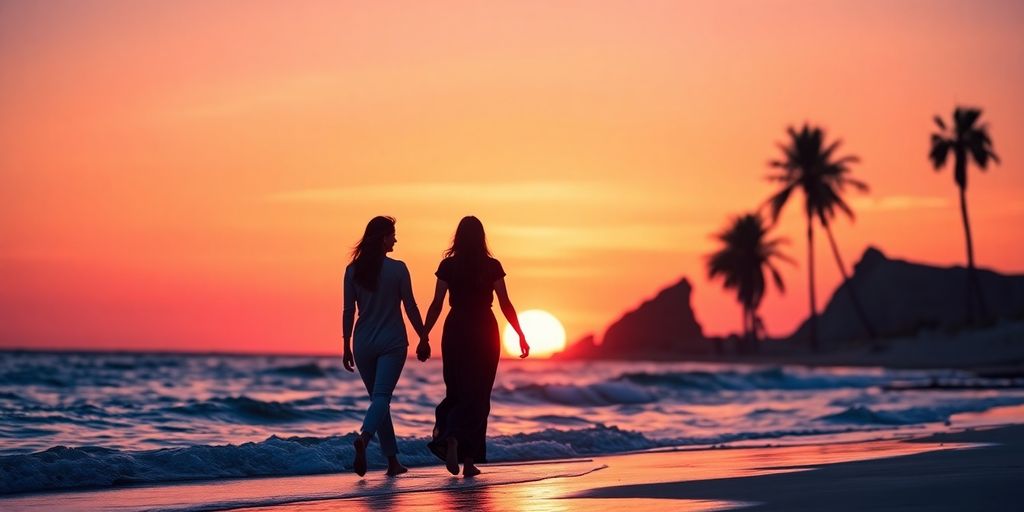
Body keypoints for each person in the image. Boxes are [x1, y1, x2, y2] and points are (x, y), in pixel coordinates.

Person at [419, 216, 529, 477]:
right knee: (479, 394)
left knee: (456, 390)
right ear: (482, 238)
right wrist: (520, 334)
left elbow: (436, 304)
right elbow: (505, 303)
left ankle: (452, 440)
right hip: (484, 330)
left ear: (458, 237)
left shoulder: (448, 266)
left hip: (456, 328)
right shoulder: (492, 266)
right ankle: (467, 457)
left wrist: (424, 336)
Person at [342, 216, 425, 477]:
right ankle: (364, 439)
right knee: (381, 399)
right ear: (382, 238)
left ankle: (392, 462)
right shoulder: (398, 269)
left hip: (363, 343)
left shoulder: (352, 270)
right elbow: (410, 306)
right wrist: (424, 336)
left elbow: (348, 311)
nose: (396, 239)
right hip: (392, 342)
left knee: (379, 401)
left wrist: (345, 344)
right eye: (392, 235)